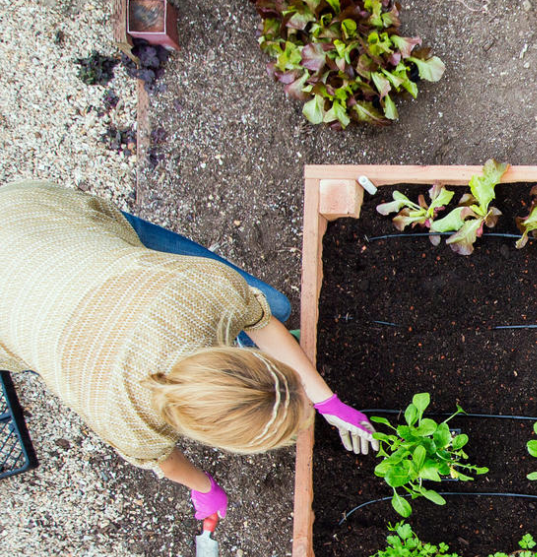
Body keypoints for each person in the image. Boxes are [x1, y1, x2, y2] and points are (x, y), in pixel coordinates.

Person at [0, 181, 377, 522]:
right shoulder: (119, 414)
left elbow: (262, 322)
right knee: (46, 351)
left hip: (40, 221)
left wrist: (326, 402)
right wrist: (202, 487)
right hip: (19, 288)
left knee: (273, 307)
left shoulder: (202, 290)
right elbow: (165, 461)